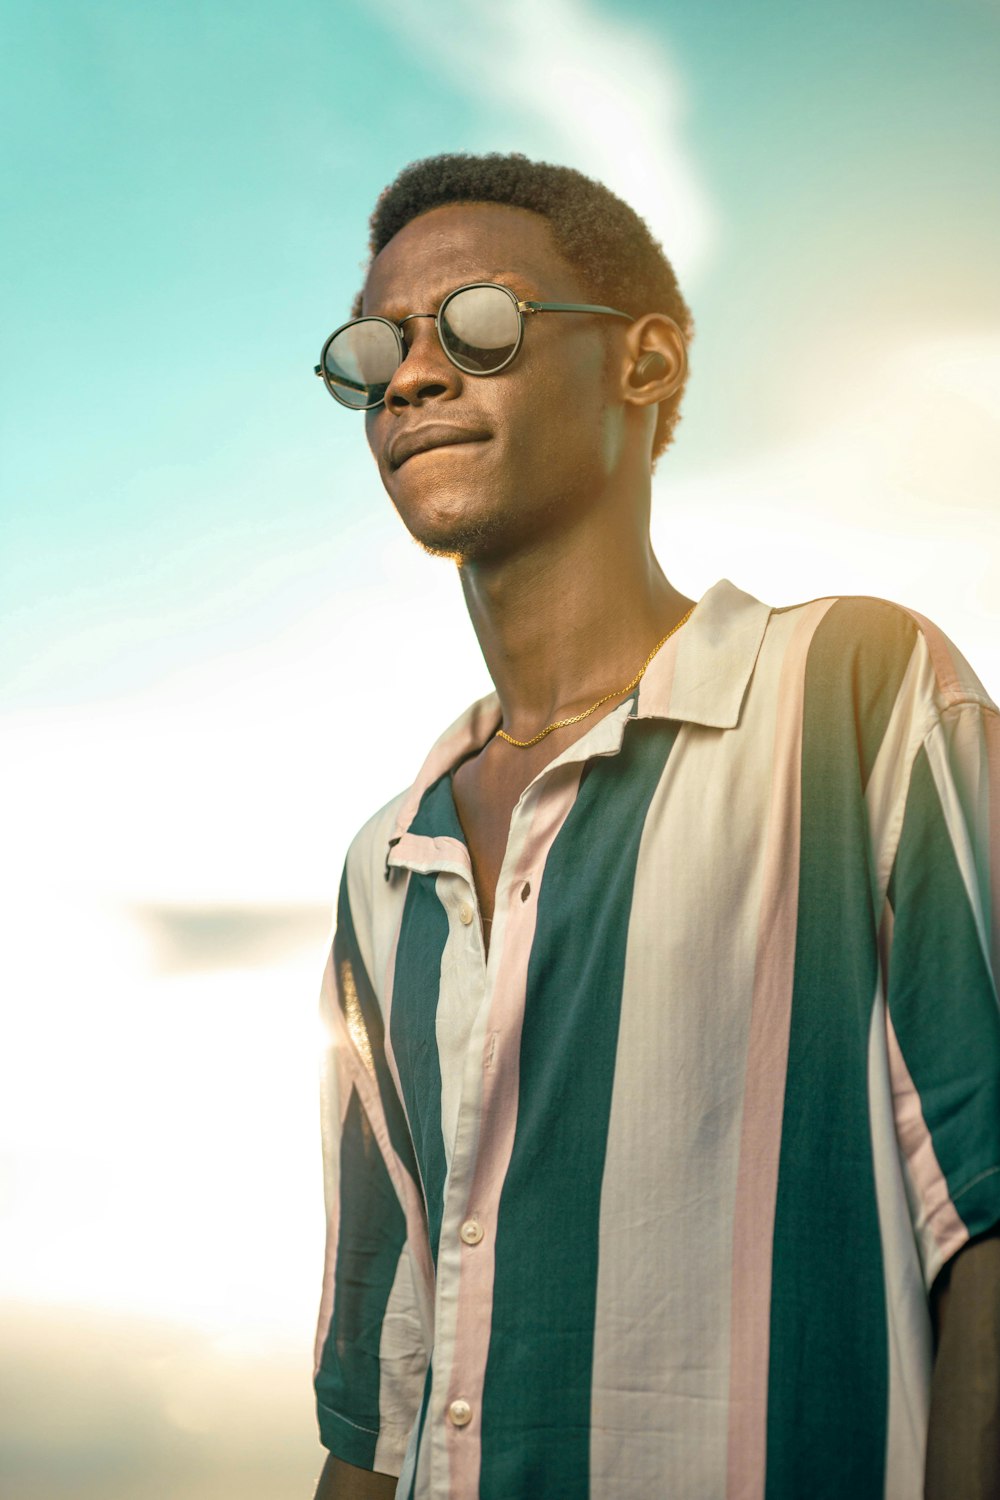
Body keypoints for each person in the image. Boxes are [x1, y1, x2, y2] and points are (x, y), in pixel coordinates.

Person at [310, 153, 1000, 1500]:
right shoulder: (381, 866)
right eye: (375, 350)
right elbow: (377, 1396)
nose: (410, 377)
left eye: (479, 322)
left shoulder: (856, 696)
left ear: (645, 364)